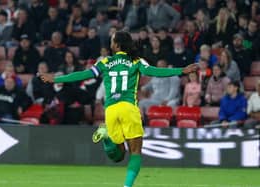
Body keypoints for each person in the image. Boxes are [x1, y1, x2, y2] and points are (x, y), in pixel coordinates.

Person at [40, 31, 197, 187]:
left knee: (118, 156)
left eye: (112, 40)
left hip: (111, 110)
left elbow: (84, 74)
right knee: (135, 153)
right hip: (128, 108)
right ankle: (126, 186)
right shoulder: (136, 61)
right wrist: (181, 70)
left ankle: (106, 136)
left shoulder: (105, 62)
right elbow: (155, 71)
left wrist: (56, 78)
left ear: (116, 45)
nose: (110, 42)